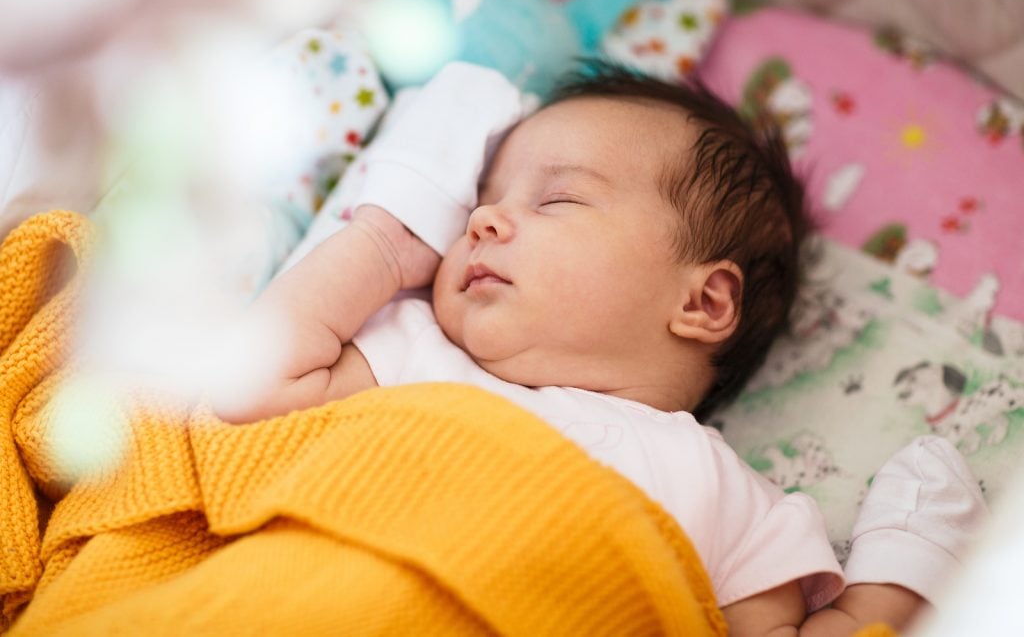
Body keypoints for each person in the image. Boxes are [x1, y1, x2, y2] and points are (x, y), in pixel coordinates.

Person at [216, 61, 987, 635]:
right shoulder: (413, 350)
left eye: (556, 199)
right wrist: (387, 241)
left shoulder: (718, 489)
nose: (482, 221)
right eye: (480, 201)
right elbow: (250, 390)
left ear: (702, 300)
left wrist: (886, 593)